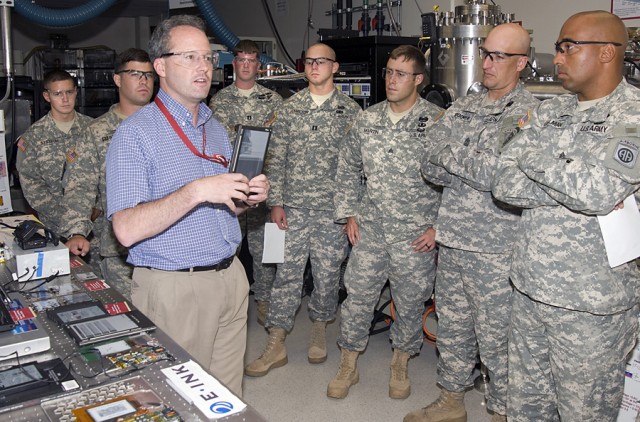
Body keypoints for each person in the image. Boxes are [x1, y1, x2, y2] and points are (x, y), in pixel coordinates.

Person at [105, 15, 269, 396]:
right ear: (160, 65)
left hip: (230, 278)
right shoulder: (135, 135)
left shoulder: (215, 126)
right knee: (176, 400)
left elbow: (229, 208)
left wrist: (247, 196)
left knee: (226, 399)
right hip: (176, 288)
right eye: (190, 57)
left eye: (209, 58)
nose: (204, 67)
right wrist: (195, 191)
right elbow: (125, 229)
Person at [491, 11, 640, 421]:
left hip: (592, 305)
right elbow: (503, 182)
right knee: (525, 410)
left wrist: (533, 158)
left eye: (567, 47)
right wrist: (565, 179)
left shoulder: (633, 114)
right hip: (529, 288)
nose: (556, 59)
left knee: (584, 413)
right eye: (557, 48)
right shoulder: (549, 110)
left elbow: (598, 191)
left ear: (607, 52)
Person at [404, 24, 539, 422]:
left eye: (499, 56)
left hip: (497, 249)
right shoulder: (465, 105)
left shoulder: (529, 114)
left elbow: (503, 176)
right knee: (453, 327)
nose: (488, 62)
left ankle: (501, 411)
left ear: (521, 63)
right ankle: (451, 399)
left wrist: (453, 155)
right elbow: (428, 162)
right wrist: (464, 160)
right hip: (454, 239)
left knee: (498, 337)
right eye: (486, 52)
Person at [325, 45, 443, 400]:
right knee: (358, 298)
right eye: (389, 72)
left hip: (414, 234)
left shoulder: (438, 122)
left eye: (400, 74)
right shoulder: (367, 119)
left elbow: (454, 182)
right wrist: (348, 213)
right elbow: (347, 168)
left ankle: (401, 361)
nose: (391, 79)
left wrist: (439, 227)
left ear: (418, 79)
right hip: (372, 230)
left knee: (409, 302)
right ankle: (348, 362)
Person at [244, 43, 361, 377]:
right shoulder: (288, 109)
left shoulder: (350, 111)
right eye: (309, 61)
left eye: (321, 61)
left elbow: (356, 168)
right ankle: (276, 342)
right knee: (286, 275)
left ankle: (320, 327)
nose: (314, 66)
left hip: (331, 212)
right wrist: (275, 204)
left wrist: (350, 211)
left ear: (335, 67)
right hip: (291, 210)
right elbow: (275, 159)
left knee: (326, 276)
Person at [62, 48, 154, 300]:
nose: (143, 81)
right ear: (117, 79)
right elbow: (79, 186)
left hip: (164, 244)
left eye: (148, 75)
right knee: (131, 320)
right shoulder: (97, 132)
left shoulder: (167, 127)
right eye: (135, 74)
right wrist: (77, 231)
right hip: (118, 249)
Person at [208, 39, 282, 325]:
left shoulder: (273, 102)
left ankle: (263, 302)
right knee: (227, 249)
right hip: (231, 189)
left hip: (262, 188)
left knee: (264, 252)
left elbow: (280, 147)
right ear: (234, 64)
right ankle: (227, 306)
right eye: (242, 60)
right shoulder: (219, 101)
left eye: (252, 60)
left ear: (258, 66)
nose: (247, 65)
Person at [16, 70, 93, 242]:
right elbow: (30, 184)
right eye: (58, 93)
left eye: (69, 92)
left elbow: (108, 174)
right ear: (47, 96)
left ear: (76, 92)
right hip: (54, 228)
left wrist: (96, 210)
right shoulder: (33, 136)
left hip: (92, 227)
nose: (65, 99)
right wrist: (63, 216)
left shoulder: (93, 129)